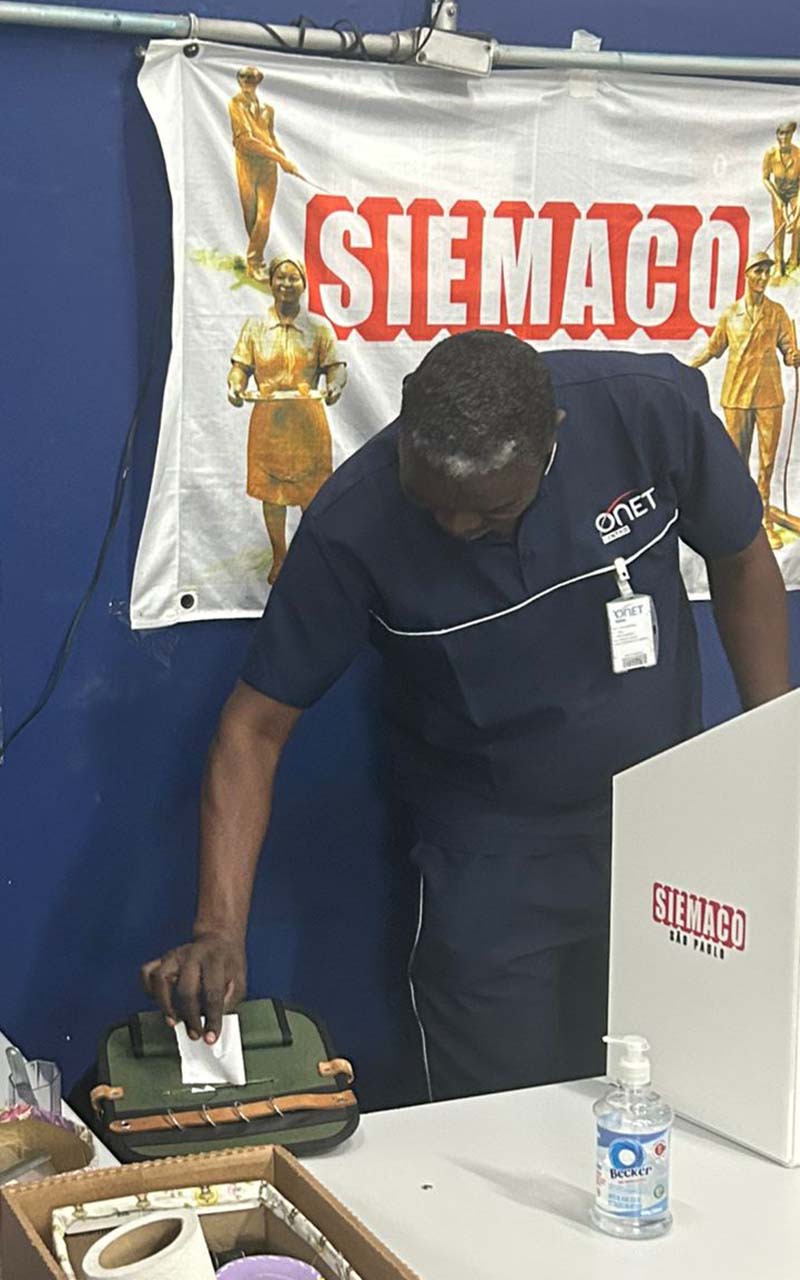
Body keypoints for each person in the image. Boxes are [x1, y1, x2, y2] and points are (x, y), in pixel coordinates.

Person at [143, 332, 789, 1103]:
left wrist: (773, 757)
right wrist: (218, 931)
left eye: (488, 510)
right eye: (431, 502)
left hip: (664, 829)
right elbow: (254, 728)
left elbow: (742, 555)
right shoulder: (355, 525)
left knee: (678, 1087)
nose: (453, 527)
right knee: (496, 1115)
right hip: (493, 861)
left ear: (551, 442)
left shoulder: (644, 413)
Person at [227, 256, 347, 584]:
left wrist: (335, 385)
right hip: (269, 423)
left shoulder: (319, 328)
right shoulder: (255, 327)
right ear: (270, 282)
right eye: (280, 277)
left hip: (308, 423)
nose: (286, 284)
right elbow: (240, 368)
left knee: (312, 494)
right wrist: (235, 385)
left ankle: (311, 556)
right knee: (272, 493)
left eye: (294, 278)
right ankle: (279, 555)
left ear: (304, 284)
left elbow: (336, 368)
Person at [689, 250, 800, 551]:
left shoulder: (777, 313)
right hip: (737, 394)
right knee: (737, 461)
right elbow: (712, 348)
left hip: (769, 395)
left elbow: (788, 352)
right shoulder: (731, 314)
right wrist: (686, 368)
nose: (763, 277)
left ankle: (764, 518)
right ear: (747, 274)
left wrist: (794, 356)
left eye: (767, 272)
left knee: (767, 461)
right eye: (758, 271)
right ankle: (740, 517)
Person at [229, 67, 299, 283]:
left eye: (251, 77)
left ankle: (255, 262)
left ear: (259, 80)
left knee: (264, 215)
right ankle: (254, 258)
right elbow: (246, 140)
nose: (247, 81)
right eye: (243, 77)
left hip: (268, 166)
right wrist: (281, 159)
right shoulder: (235, 104)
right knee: (250, 214)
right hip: (248, 165)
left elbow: (270, 137)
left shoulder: (268, 110)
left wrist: (283, 157)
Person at [762, 121, 800, 277]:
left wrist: (796, 210)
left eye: (787, 133)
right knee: (779, 225)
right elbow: (765, 178)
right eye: (781, 133)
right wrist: (777, 198)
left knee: (798, 225)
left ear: (792, 134)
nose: (784, 137)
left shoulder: (798, 154)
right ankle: (778, 263)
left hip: (795, 192)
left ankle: (794, 259)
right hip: (778, 192)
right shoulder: (770, 154)